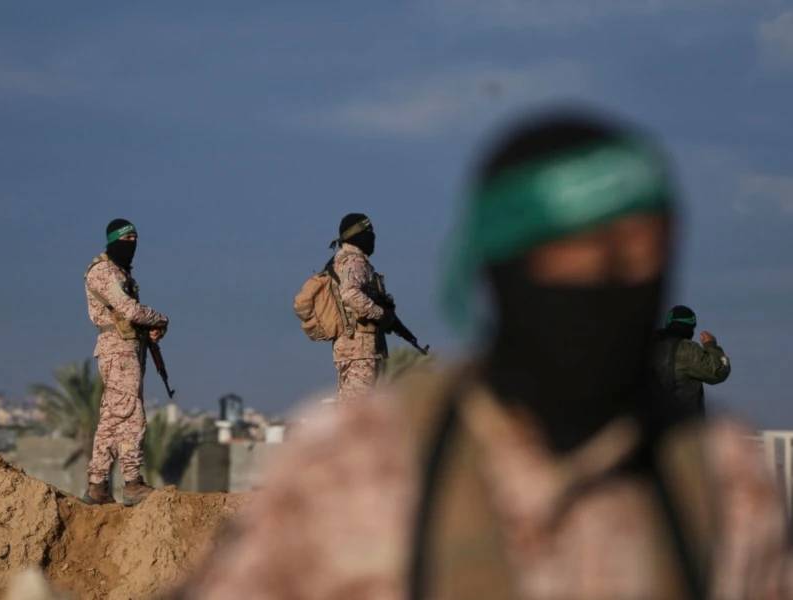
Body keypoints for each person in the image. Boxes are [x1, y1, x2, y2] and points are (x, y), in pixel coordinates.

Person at [164, 108, 792, 599]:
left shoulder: (716, 480)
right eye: (566, 262)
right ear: (496, 271)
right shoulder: (354, 464)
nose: (603, 290)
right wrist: (384, 316)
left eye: (636, 258)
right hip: (359, 352)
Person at [81, 218, 168, 506]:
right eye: (125, 238)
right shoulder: (106, 271)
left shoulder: (119, 271)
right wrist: (160, 319)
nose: (131, 244)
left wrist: (149, 330)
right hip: (118, 352)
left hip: (126, 349)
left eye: (134, 239)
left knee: (112, 419)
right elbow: (128, 309)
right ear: (112, 239)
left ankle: (97, 485)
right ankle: (132, 483)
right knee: (131, 416)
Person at [329, 213, 391, 404]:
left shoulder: (339, 261)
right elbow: (349, 293)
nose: (372, 237)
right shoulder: (354, 261)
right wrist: (380, 314)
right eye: (368, 232)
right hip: (360, 349)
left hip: (351, 347)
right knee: (357, 409)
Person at [650, 305, 731, 414]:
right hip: (683, 424)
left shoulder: (647, 346)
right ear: (690, 326)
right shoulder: (688, 350)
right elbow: (720, 370)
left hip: (648, 423)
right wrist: (711, 345)